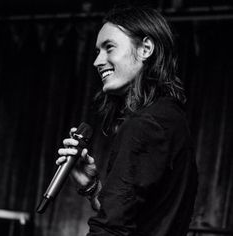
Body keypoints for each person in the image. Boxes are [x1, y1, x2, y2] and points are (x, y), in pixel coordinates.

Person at [56, 6, 198, 236]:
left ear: (146, 48)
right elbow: (136, 218)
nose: (97, 61)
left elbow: (111, 230)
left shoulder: (146, 124)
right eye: (97, 51)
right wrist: (92, 188)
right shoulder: (170, 118)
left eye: (109, 47)